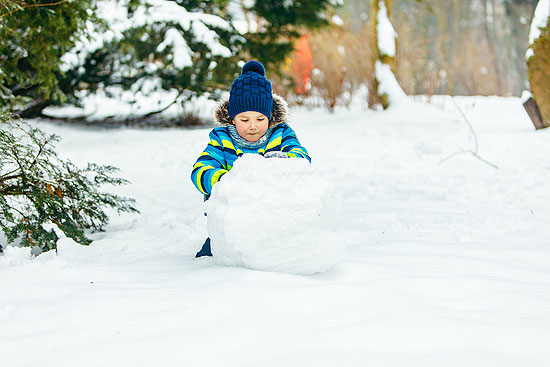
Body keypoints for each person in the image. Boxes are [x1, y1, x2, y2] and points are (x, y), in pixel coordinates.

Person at [191, 60, 311, 257]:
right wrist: (227, 182)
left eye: (260, 119)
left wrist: (278, 163)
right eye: (244, 120)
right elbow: (200, 170)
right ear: (232, 118)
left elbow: (301, 160)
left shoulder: (281, 134)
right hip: (231, 218)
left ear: (270, 117)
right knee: (211, 258)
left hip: (271, 214)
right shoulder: (222, 139)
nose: (253, 126)